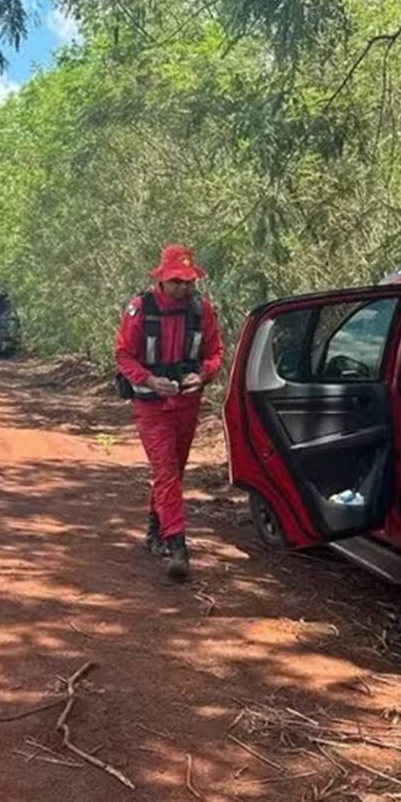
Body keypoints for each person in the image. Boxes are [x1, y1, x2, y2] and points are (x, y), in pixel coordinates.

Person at [114, 243, 224, 582]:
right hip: (151, 405)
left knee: (174, 472)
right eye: (176, 281)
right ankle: (178, 547)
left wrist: (202, 375)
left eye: (188, 282)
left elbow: (215, 353)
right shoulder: (140, 309)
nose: (183, 288)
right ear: (161, 279)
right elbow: (123, 355)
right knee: (165, 470)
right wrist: (149, 380)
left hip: (187, 404)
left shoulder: (201, 310)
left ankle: (155, 529)